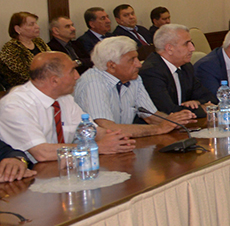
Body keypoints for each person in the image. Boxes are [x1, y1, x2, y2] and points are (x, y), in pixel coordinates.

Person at [0, 52, 133, 164]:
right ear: (54, 80)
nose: (77, 76)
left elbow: (92, 131)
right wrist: (97, 147)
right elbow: (42, 153)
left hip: (64, 168)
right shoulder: (15, 105)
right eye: (72, 71)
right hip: (29, 175)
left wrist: (116, 138)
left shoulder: (63, 98)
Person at [75, 37, 191, 136]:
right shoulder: (93, 83)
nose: (139, 64)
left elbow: (151, 116)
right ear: (111, 65)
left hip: (123, 143)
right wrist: (159, 128)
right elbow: (107, 128)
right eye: (132, 60)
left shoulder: (134, 78)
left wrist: (173, 122)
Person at [140, 23, 216, 117]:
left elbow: (210, 97)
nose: (192, 48)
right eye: (186, 44)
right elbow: (168, 111)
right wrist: (203, 109)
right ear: (169, 48)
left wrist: (197, 102)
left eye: (191, 43)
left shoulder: (186, 67)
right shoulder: (151, 72)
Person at [0, 12, 50, 87]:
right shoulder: (11, 48)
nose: (37, 27)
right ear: (17, 29)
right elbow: (25, 74)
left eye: (36, 23)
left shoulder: (39, 42)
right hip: (23, 88)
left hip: (46, 83)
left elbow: (53, 60)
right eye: (31, 24)